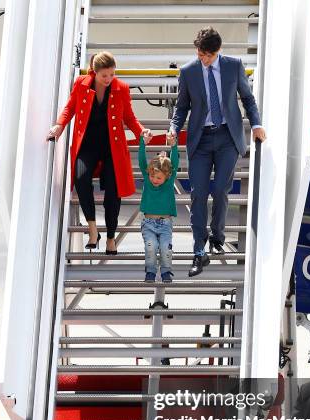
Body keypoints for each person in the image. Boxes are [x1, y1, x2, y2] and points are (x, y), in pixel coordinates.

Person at [168, 27, 266, 277]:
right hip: (200, 140)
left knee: (221, 189)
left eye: (207, 56)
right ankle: (198, 251)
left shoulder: (234, 66)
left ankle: (217, 237)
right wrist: (173, 128)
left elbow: (248, 99)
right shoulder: (189, 71)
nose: (203, 59)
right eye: (200, 55)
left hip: (227, 137)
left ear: (217, 51)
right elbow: (181, 107)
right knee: (198, 194)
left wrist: (256, 124)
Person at [47, 52, 151, 254]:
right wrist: (59, 125)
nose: (109, 79)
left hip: (112, 147)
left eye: (112, 74)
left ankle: (111, 237)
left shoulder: (121, 88)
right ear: (94, 72)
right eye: (105, 75)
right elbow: (70, 108)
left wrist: (141, 131)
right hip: (87, 145)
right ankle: (93, 229)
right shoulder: (81, 84)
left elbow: (129, 117)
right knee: (80, 177)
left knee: (113, 191)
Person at [138, 132, 178, 282]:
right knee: (151, 246)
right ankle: (150, 272)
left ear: (167, 176)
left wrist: (173, 146)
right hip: (148, 223)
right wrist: (143, 143)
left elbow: (175, 162)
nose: (154, 180)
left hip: (165, 224)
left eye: (159, 178)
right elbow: (142, 162)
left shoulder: (168, 182)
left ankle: (166, 271)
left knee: (165, 248)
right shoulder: (148, 181)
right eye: (152, 176)